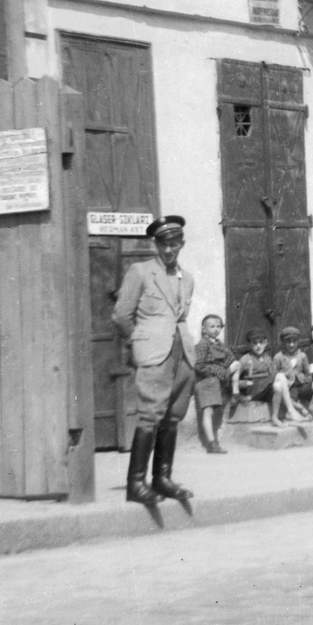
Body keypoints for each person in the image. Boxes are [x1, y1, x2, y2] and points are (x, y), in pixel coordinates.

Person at [112, 215, 197, 505]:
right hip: (154, 354)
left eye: (174, 243)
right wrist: (137, 344)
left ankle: (162, 478)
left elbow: (180, 316)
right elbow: (121, 315)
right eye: (163, 244)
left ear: (182, 243)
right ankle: (136, 484)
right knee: (150, 416)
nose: (169, 249)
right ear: (155, 245)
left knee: (172, 418)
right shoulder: (140, 271)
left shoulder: (188, 279)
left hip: (182, 354)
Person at [193, 314, 233, 454]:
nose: (216, 329)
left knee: (214, 411)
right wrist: (215, 371)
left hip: (216, 381)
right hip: (206, 381)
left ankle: (213, 441)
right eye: (212, 326)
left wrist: (223, 369)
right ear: (204, 329)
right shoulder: (203, 344)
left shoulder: (218, 344)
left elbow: (230, 357)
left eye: (218, 326)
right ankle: (211, 444)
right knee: (208, 411)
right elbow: (198, 365)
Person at [270, 327, 313, 425]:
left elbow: (308, 375)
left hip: (300, 387)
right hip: (287, 388)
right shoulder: (278, 357)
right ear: (283, 342)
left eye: (294, 341)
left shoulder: (302, 356)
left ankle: (304, 409)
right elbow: (274, 377)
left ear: (298, 341)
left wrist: (305, 384)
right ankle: (301, 409)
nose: (291, 344)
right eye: (288, 342)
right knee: (284, 392)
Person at [234, 329, 277, 419]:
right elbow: (233, 380)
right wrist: (246, 383)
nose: (258, 345)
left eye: (261, 342)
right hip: (252, 393)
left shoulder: (268, 359)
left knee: (278, 381)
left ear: (265, 343)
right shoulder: (245, 359)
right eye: (255, 343)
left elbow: (274, 376)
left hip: (265, 392)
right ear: (250, 345)